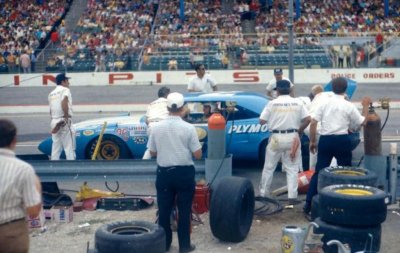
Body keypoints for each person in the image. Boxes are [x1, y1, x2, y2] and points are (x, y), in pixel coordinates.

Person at [303, 77, 371, 218]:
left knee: (319, 172)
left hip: (326, 140)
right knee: (346, 173)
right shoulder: (348, 105)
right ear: (345, 89)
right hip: (342, 140)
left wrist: (313, 141)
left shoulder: (325, 103)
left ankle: (308, 205)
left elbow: (314, 122)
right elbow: (362, 123)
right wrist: (365, 106)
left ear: (331, 88)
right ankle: (345, 205)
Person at [147, 92, 202, 253]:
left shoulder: (156, 128)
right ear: (183, 108)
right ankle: (184, 246)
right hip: (184, 173)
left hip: (164, 173)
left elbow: (152, 153)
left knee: (164, 210)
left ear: (167, 107)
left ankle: (164, 244)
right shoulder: (189, 128)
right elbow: (197, 154)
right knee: (184, 211)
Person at [259, 80, 310, 204]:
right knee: (292, 168)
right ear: (290, 89)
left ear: (277, 91)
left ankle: (264, 194)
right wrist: (300, 130)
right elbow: (308, 119)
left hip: (276, 137)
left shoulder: (272, 103)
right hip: (293, 137)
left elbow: (261, 121)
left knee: (269, 167)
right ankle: (292, 197)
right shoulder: (298, 102)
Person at [0, 119, 42, 253]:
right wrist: (37, 186)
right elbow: (33, 211)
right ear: (14, 140)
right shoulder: (23, 169)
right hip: (11, 232)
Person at [48, 73, 76, 160]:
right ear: (63, 81)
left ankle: (53, 166)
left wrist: (54, 120)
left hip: (54, 119)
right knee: (69, 147)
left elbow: (50, 110)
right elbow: (64, 101)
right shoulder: (65, 90)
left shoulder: (51, 93)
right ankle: (72, 168)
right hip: (64, 119)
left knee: (56, 146)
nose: (69, 83)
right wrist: (66, 117)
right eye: (67, 81)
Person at [142, 86, 170, 159]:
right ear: (167, 94)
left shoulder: (151, 104)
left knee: (150, 149)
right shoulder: (169, 102)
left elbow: (146, 120)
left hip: (151, 126)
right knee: (167, 148)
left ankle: (143, 164)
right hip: (163, 125)